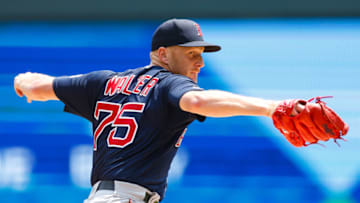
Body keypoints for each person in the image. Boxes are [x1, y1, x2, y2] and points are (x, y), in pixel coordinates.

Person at [13, 19, 302, 203]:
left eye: (201, 56)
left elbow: (39, 86)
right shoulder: (170, 84)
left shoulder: (102, 83)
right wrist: (271, 107)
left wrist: (22, 81)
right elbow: (200, 102)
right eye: (191, 54)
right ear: (161, 54)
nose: (199, 63)